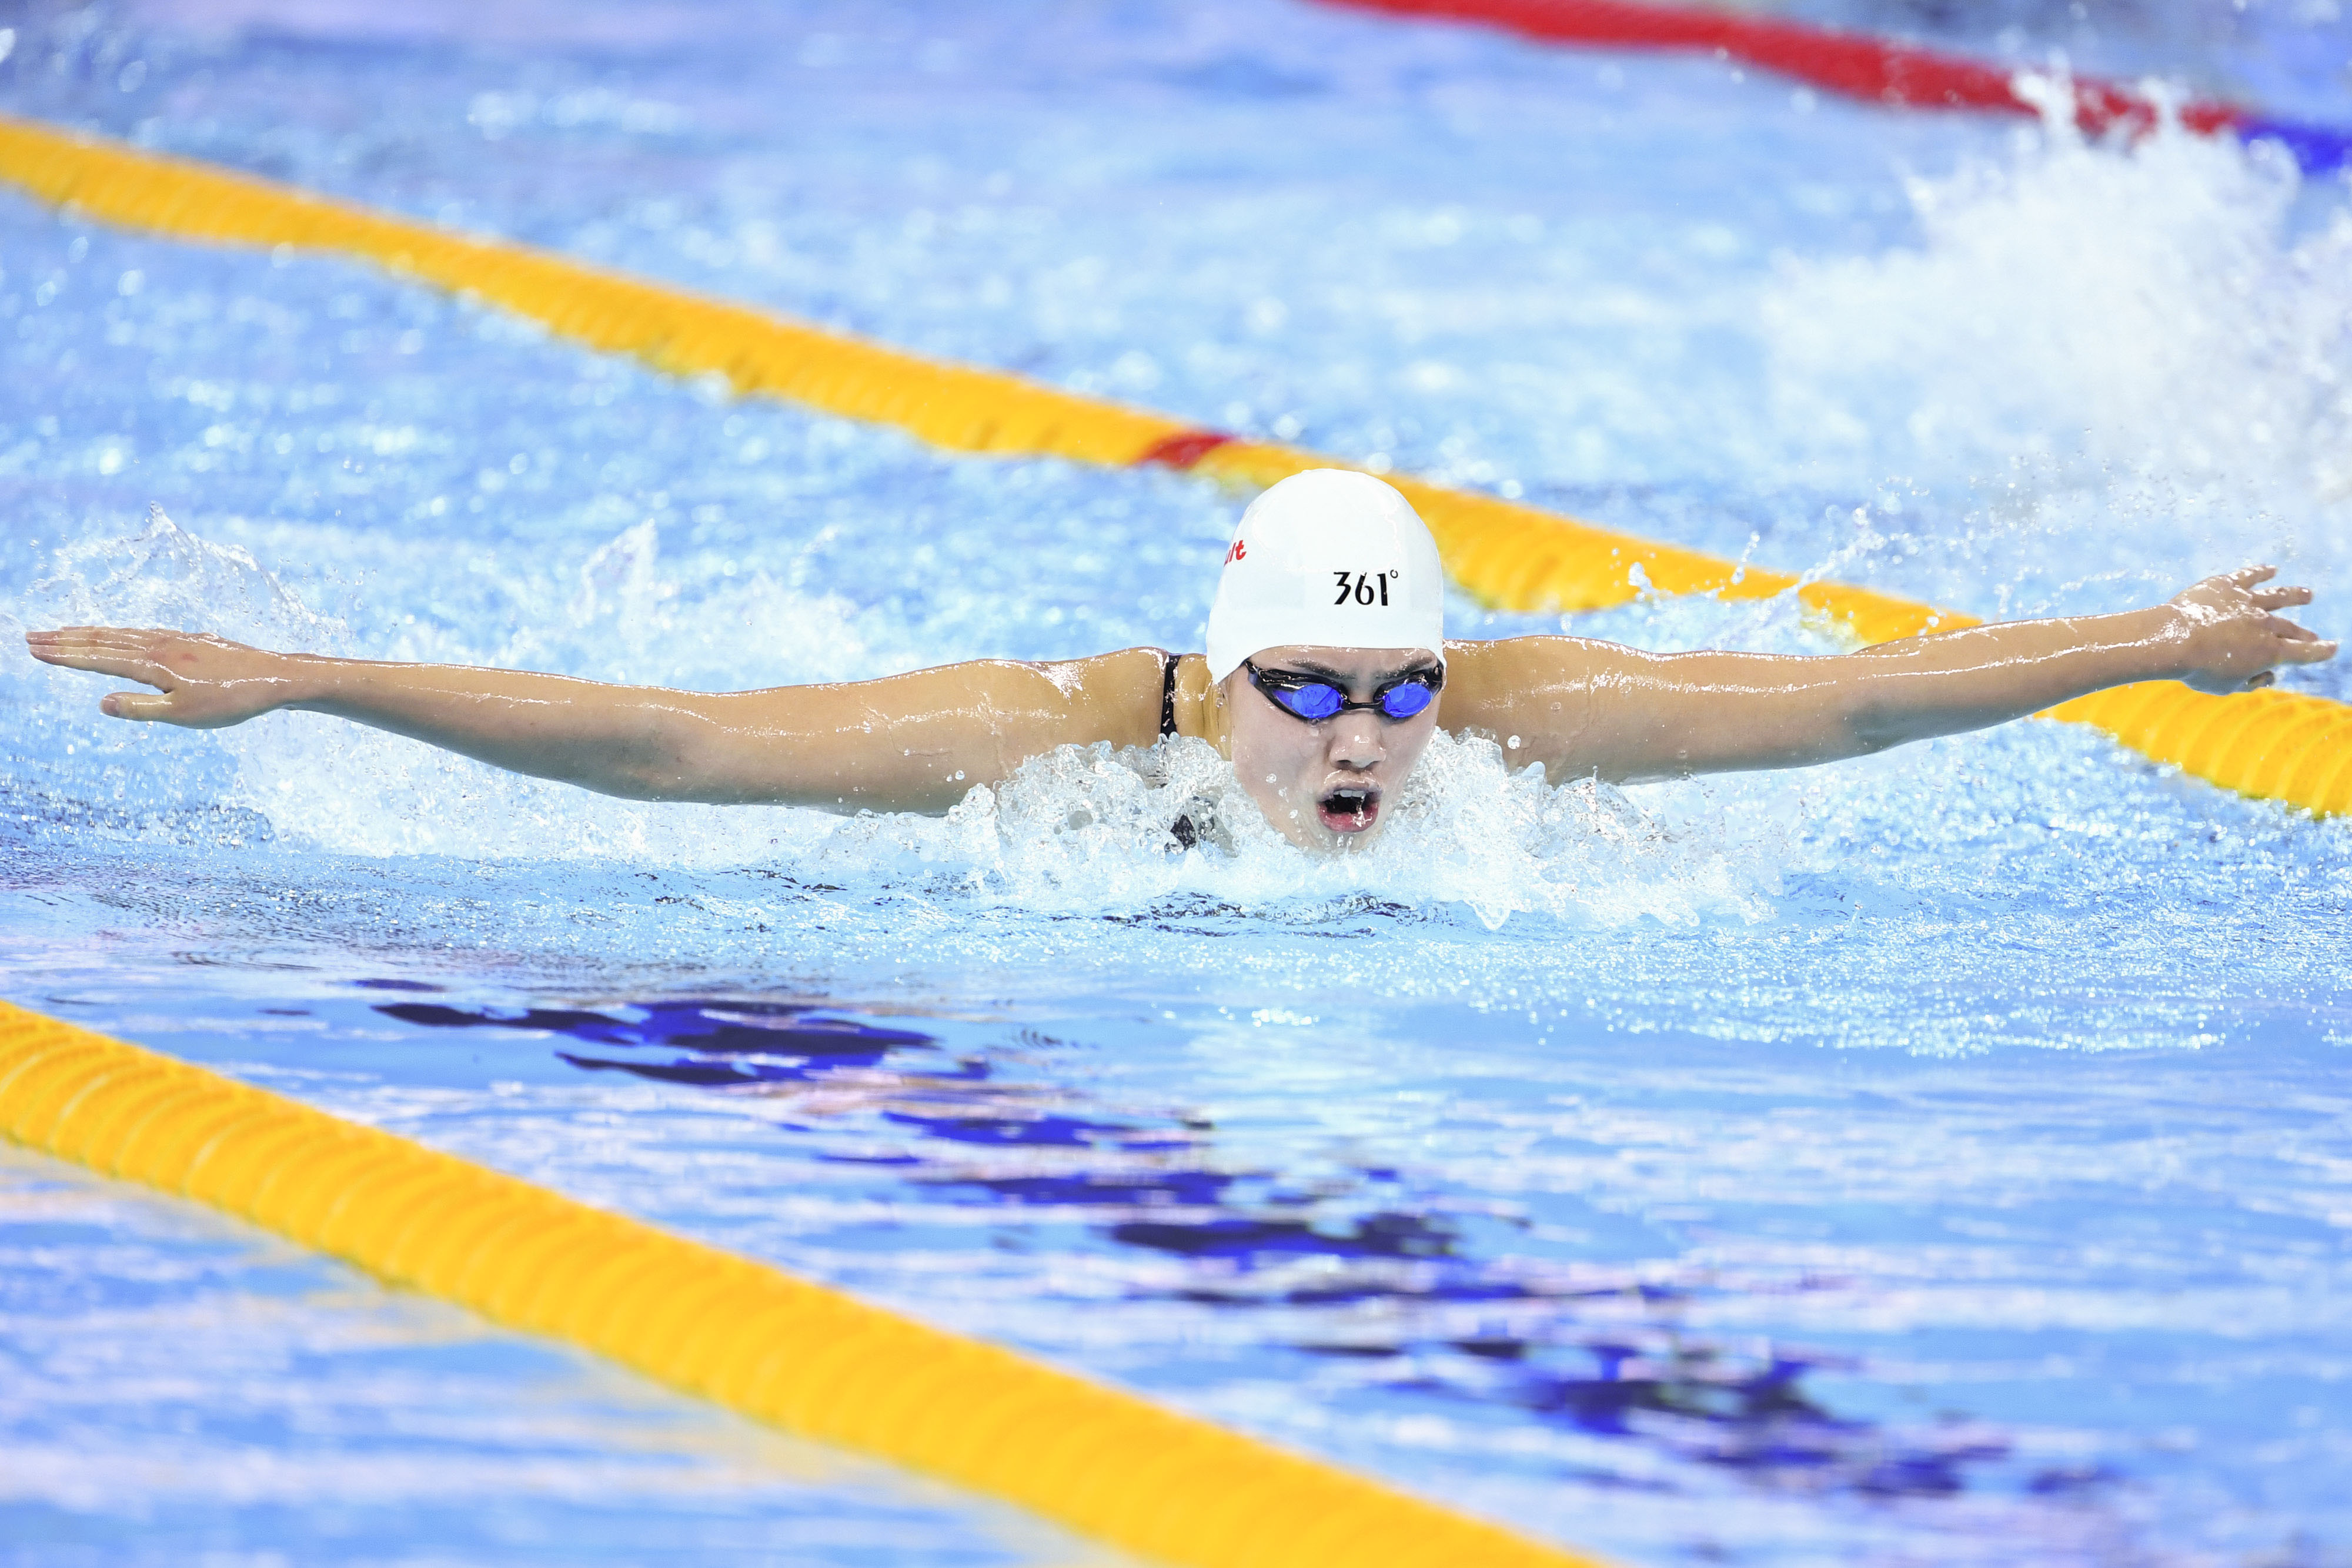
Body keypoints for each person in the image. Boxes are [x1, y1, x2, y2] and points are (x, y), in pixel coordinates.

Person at [25, 470, 2336, 852]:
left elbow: (1838, 700)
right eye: (1303, 695)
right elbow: (674, 739)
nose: (1354, 745)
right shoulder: (1031, 746)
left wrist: (2164, 644)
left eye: (1394, 694)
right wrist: (301, 678)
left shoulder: (1507, 717)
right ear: (1211, 676)